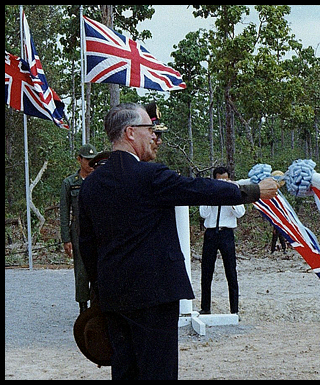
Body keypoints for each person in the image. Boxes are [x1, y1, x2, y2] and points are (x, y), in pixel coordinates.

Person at [78, 102, 279, 380]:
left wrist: (101, 290)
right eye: (150, 129)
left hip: (115, 297)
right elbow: (198, 189)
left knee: (125, 373)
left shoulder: (90, 184)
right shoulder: (150, 176)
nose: (155, 137)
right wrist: (252, 190)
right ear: (130, 132)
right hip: (155, 295)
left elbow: (86, 247)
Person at [199, 167, 245, 315]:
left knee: (231, 271)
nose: (223, 183)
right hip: (211, 233)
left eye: (225, 180)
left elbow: (240, 213)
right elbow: (203, 213)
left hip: (226, 233)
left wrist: (230, 195)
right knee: (206, 271)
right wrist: (211, 195)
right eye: (220, 180)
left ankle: (234, 310)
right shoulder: (209, 193)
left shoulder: (233, 193)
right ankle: (205, 308)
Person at [60, 143, 97, 313]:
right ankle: (83, 307)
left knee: (99, 267)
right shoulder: (70, 183)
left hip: (97, 228)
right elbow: (64, 212)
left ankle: (97, 305)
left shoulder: (99, 179)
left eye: (93, 160)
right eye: (87, 160)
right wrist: (66, 239)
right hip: (78, 229)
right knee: (81, 269)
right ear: (79, 159)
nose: (90, 164)